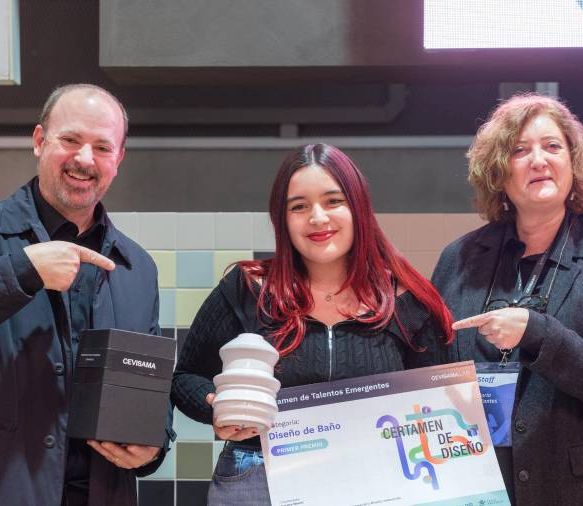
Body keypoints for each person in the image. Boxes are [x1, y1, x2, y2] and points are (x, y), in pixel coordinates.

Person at [0, 83, 174, 506]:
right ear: (40, 141)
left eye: (102, 147)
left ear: (118, 159)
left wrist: (156, 443)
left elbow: (150, 381)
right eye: (71, 140)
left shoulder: (137, 267)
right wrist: (21, 272)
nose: (84, 158)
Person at [171, 143, 455, 505]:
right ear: (282, 219)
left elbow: (437, 410)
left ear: (358, 208)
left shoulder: (405, 302)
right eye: (299, 206)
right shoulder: (248, 288)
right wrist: (217, 406)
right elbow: (185, 377)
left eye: (333, 201)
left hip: (377, 482)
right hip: (259, 478)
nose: (317, 218)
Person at [431, 93, 583, 505]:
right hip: (479, 482)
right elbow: (429, 368)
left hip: (581, 487)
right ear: (498, 171)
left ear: (573, 163)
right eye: (519, 150)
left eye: (552, 146)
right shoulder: (458, 259)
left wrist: (537, 332)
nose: (539, 160)